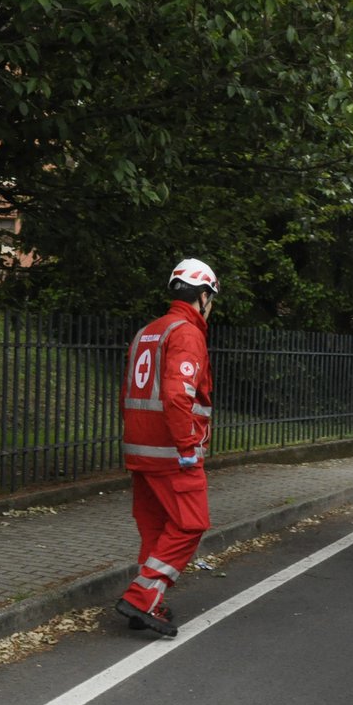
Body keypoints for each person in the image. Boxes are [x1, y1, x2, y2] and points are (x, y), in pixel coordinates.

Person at [114, 258, 219, 638]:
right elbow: (178, 396)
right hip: (173, 452)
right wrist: (188, 446)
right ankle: (141, 598)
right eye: (211, 299)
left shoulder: (147, 331)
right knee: (192, 524)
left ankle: (151, 601)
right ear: (203, 295)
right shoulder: (187, 333)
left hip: (140, 450)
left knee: (155, 530)